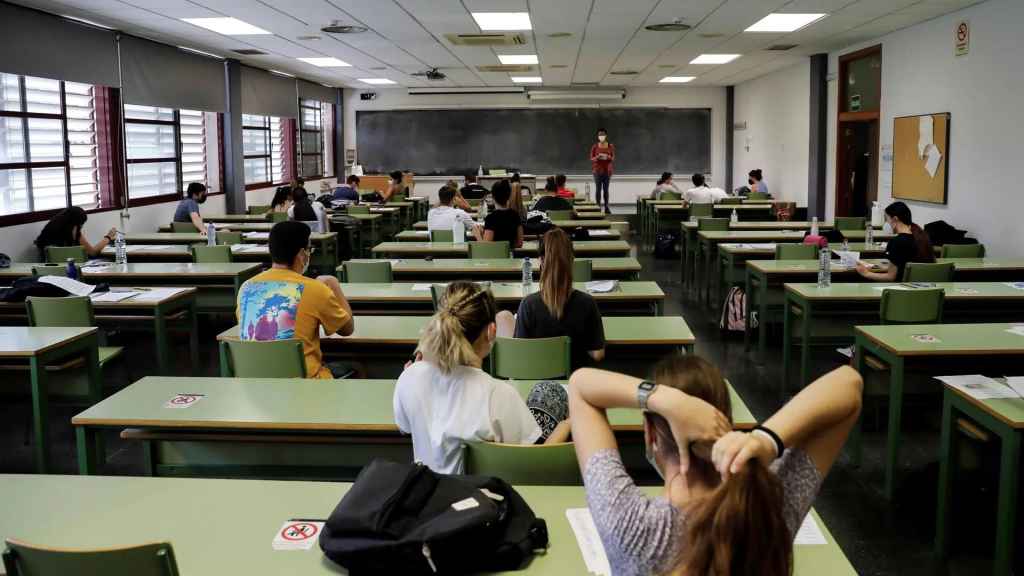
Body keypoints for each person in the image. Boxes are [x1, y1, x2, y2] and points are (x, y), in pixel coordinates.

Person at [569, 357, 862, 576]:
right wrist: (766, 439)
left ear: (650, 434)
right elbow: (848, 383)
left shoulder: (629, 524)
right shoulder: (765, 505)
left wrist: (664, 400)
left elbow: (581, 385)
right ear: (728, 423)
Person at [394, 281, 571, 474]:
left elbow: (405, 426)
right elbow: (536, 462)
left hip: (429, 494)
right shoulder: (498, 395)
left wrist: (412, 373)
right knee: (550, 393)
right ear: (491, 331)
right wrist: (567, 424)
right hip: (486, 499)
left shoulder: (410, 377)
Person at [236, 221, 355, 379]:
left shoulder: (246, 287)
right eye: (309, 249)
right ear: (301, 254)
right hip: (303, 386)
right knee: (356, 367)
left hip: (255, 382)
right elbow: (347, 329)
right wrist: (334, 284)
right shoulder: (316, 289)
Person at [511, 228, 605, 367]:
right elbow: (598, 354)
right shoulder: (587, 303)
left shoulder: (528, 304)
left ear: (541, 261)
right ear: (572, 260)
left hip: (535, 381)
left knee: (505, 317)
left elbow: (520, 353)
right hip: (573, 381)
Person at [856, 201, 935, 282]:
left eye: (887, 219)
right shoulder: (922, 237)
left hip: (901, 289)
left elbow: (891, 277)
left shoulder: (896, 242)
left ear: (895, 219)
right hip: (924, 287)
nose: (886, 223)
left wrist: (866, 273)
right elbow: (904, 265)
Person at [33, 206, 117, 261]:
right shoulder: (74, 230)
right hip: (72, 271)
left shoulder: (48, 230)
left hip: (51, 274)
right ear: (76, 223)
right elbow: (92, 252)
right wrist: (108, 237)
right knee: (107, 260)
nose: (80, 228)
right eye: (80, 225)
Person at [483, 179, 524, 248]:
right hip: (511, 257)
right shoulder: (515, 215)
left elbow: (486, 247)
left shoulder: (491, 218)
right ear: (509, 196)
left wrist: (478, 234)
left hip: (494, 258)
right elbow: (519, 243)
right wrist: (507, 247)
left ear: (493, 197)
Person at [590, 128, 615, 214]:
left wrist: (607, 157)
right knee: (598, 189)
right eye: (600, 134)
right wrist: (597, 157)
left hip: (607, 171)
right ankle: (598, 206)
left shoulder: (610, 146)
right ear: (597, 136)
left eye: (603, 134)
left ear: (606, 135)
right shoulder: (595, 146)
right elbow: (591, 158)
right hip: (597, 170)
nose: (601, 136)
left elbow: (612, 158)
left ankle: (606, 206)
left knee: (606, 189)